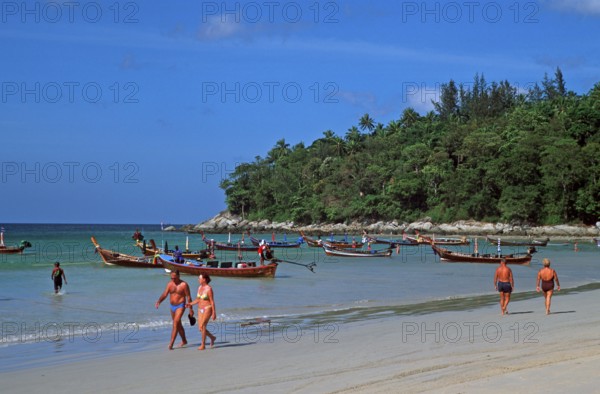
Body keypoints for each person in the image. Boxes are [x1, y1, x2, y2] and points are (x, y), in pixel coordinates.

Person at [155, 270, 194, 350]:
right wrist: (159, 301)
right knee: (178, 324)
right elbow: (165, 294)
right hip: (172, 306)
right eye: (171, 278)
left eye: (175, 278)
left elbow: (188, 297)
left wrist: (190, 309)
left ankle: (171, 344)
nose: (173, 280)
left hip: (181, 305)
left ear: (179, 276)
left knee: (175, 323)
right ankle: (184, 340)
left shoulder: (184, 285)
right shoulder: (170, 284)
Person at [186, 274, 216, 350]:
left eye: (199, 278)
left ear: (204, 279)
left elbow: (212, 301)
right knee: (200, 328)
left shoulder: (209, 289)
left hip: (207, 308)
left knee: (203, 326)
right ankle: (212, 337)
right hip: (200, 309)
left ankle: (203, 345)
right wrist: (190, 304)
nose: (198, 280)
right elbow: (198, 299)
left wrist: (214, 312)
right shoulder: (199, 287)